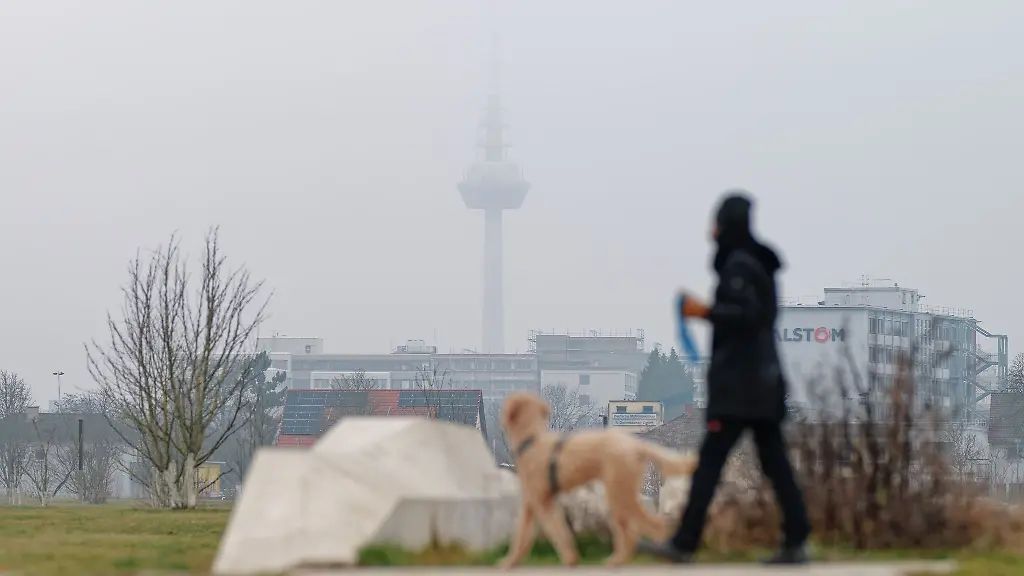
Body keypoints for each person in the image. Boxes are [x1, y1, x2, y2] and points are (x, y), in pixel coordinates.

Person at [640, 191, 811, 565]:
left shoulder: (739, 266)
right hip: (762, 384)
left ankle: (684, 543)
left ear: (726, 226)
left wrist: (704, 311)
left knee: (710, 464)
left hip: (740, 388)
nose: (710, 232)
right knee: (776, 464)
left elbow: (744, 316)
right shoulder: (759, 265)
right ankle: (797, 540)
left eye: (715, 223)